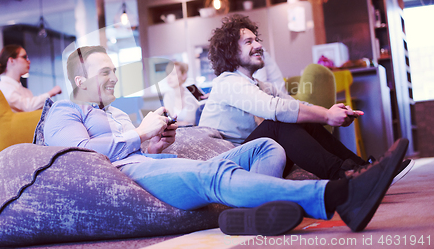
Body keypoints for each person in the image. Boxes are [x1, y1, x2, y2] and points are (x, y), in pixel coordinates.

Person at [43, 45, 408, 235]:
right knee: (214, 178)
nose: (113, 78)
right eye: (106, 72)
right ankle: (339, 196)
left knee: (268, 145)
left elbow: (135, 145)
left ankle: (245, 217)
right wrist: (140, 135)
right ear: (80, 81)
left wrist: (153, 142)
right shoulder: (64, 110)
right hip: (133, 176)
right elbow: (78, 155)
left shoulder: (115, 113)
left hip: (156, 164)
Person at [200, 14, 413, 182]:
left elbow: (295, 105)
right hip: (225, 163)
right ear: (230, 52)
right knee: (278, 123)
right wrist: (327, 116)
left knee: (300, 119)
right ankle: (345, 176)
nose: (258, 45)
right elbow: (275, 109)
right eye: (248, 42)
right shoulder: (226, 82)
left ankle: (364, 169)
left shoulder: (260, 85)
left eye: (257, 40)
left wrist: (330, 112)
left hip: (253, 155)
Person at [0, 45, 62, 112]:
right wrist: (52, 93)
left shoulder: (26, 91)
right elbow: (27, 106)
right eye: (24, 57)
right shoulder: (2, 87)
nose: (29, 61)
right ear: (11, 61)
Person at [163, 61, 200, 126]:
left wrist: (177, 123)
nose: (169, 77)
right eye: (167, 74)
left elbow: (191, 122)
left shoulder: (193, 91)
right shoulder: (167, 95)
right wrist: (181, 123)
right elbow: (170, 121)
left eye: (173, 74)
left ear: (184, 75)